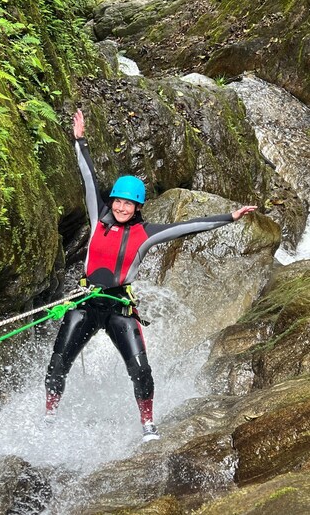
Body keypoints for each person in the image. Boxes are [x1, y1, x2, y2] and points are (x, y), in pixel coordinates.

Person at [45, 109, 257, 442]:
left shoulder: (146, 234)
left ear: (138, 207)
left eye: (129, 204)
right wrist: (79, 139)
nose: (121, 207)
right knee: (59, 361)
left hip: (118, 307)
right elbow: (87, 177)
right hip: (85, 302)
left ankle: (147, 425)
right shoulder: (97, 216)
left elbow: (187, 226)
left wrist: (230, 216)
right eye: (118, 201)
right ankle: (50, 416)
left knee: (141, 370)